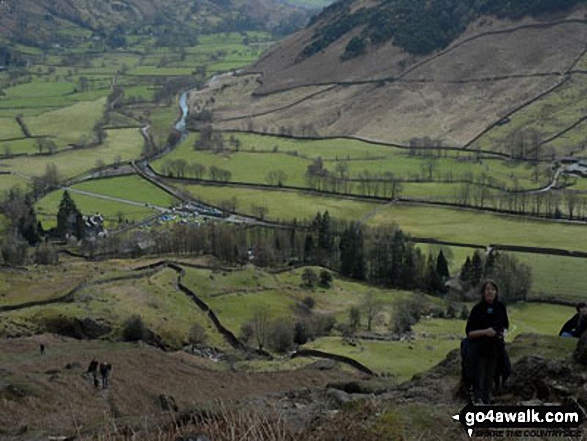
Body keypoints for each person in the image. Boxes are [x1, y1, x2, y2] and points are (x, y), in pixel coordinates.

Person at [465, 280, 509, 405]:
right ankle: (477, 399)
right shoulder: (477, 309)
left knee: (492, 374)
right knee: (479, 375)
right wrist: (485, 332)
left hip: (495, 347)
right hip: (479, 347)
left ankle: (487, 398)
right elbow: (469, 332)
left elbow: (504, 326)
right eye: (487, 289)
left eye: (492, 289)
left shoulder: (500, 307)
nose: (490, 292)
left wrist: (500, 334)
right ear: (483, 293)